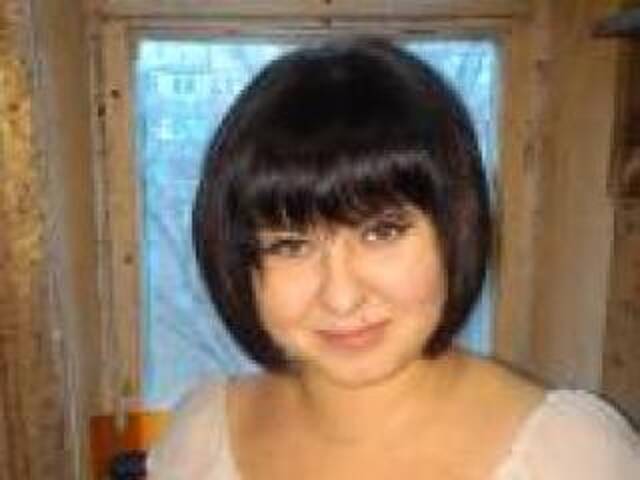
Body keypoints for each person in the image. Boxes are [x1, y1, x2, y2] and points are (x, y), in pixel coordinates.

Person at [148, 37, 640, 479]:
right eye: (291, 245)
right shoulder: (201, 435)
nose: (341, 298)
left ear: (455, 227)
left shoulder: (572, 456)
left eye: (381, 232)